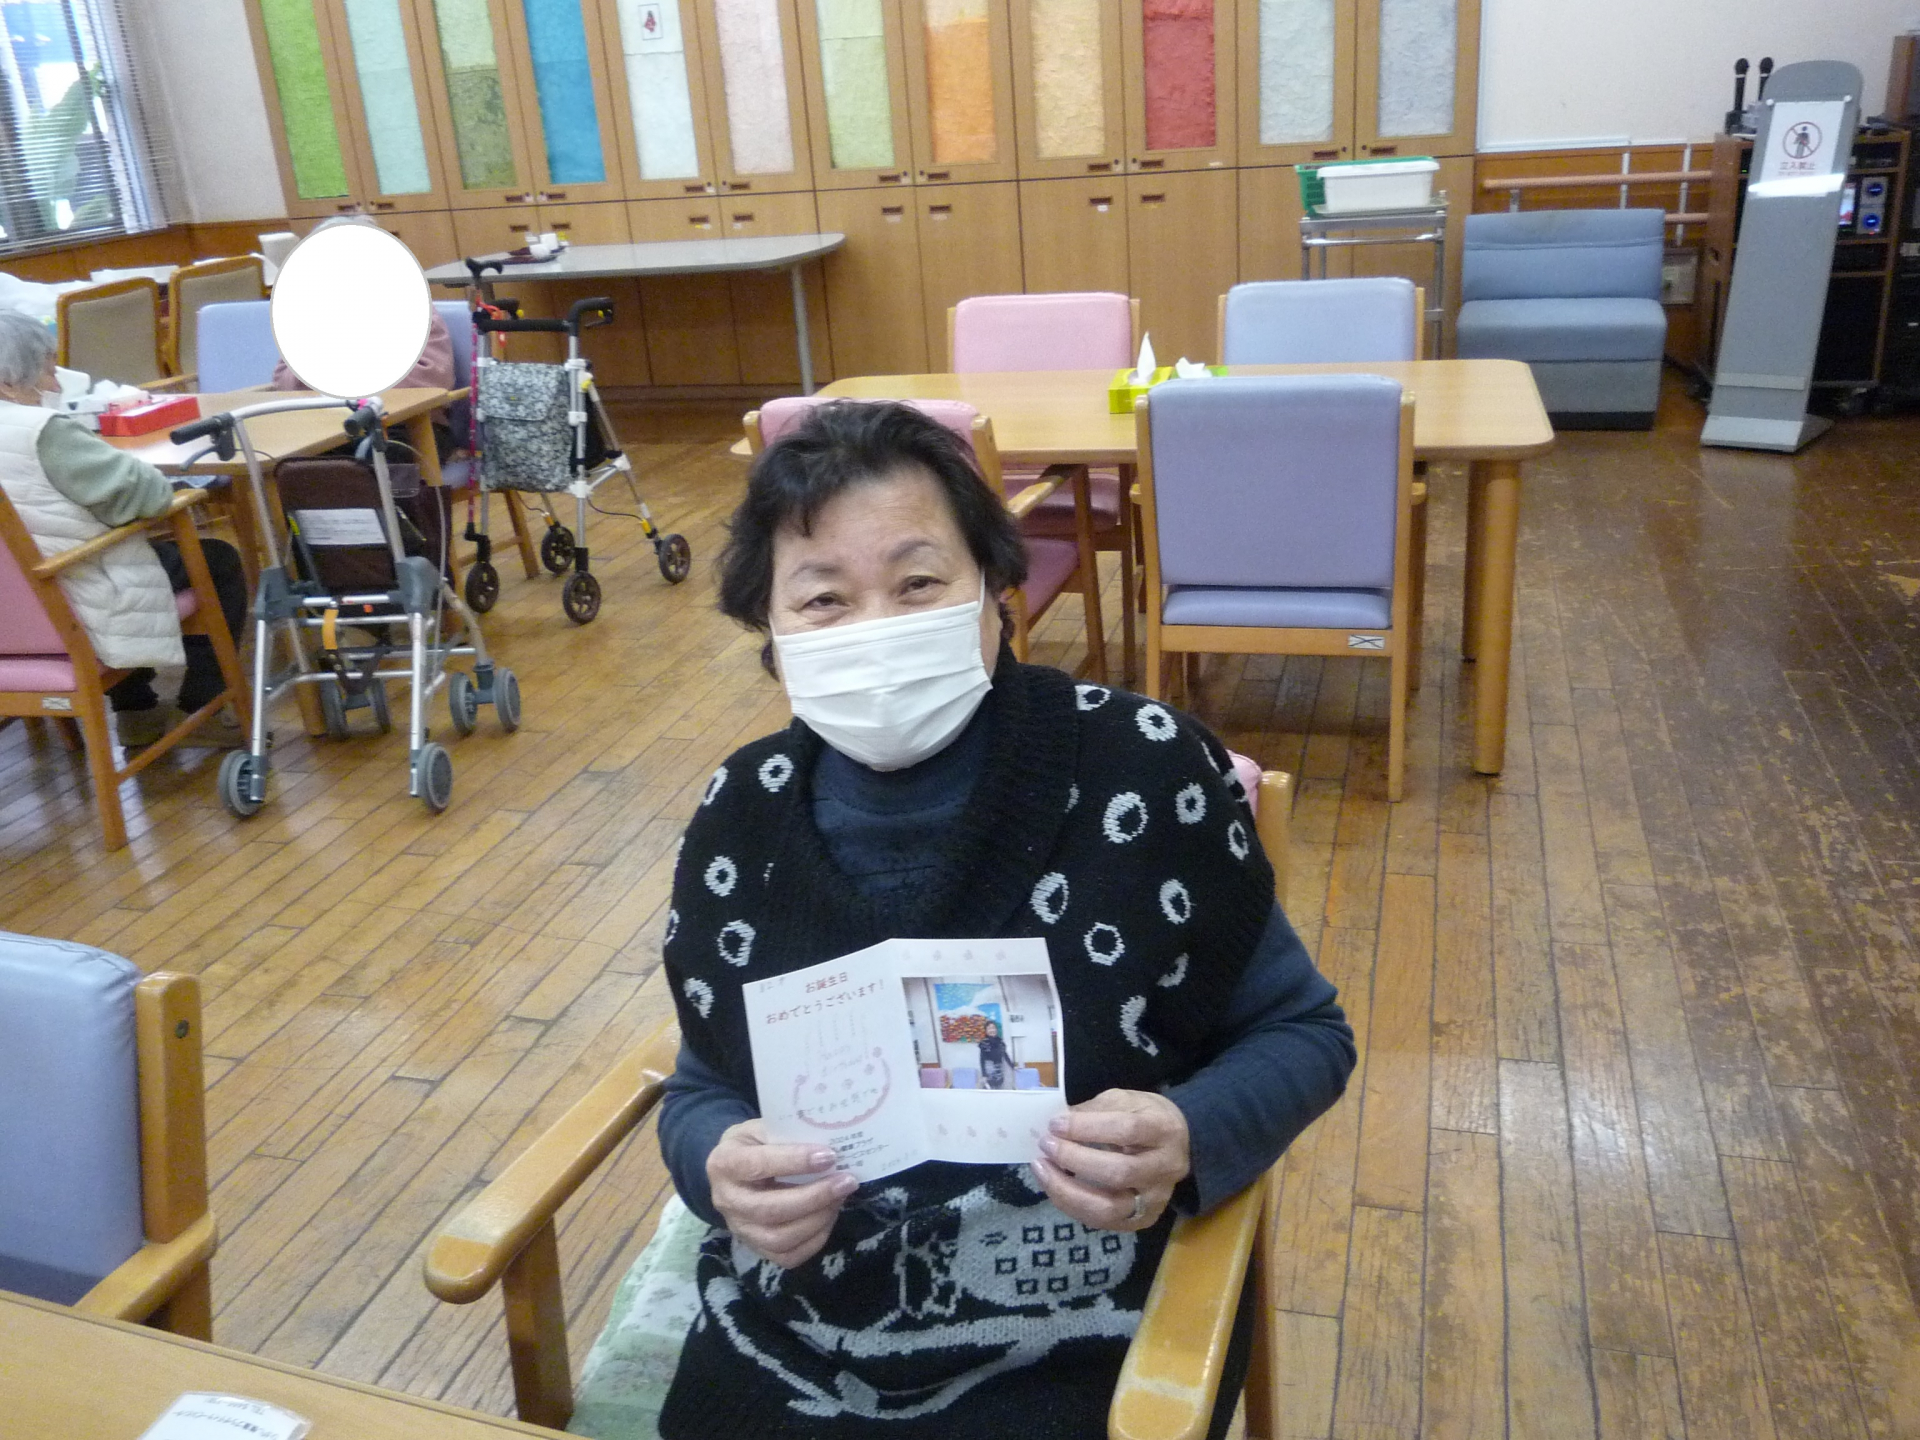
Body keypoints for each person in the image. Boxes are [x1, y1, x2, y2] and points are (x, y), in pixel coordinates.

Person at [651, 400, 1356, 1440]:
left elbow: (1304, 1032)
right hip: (795, 1331)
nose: (878, 628)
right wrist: (715, 1164)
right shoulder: (743, 813)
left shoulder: (1144, 769)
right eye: (824, 599)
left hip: (1090, 1323)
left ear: (994, 587)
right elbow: (705, 1079)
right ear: (772, 631)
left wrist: (1188, 1134)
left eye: (919, 583)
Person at [0, 310, 246, 747]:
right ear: (8, 382)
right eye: (47, 371)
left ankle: (137, 710)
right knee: (217, 560)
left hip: (11, 619)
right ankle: (202, 705)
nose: (55, 387)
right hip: (70, 599)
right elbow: (149, 497)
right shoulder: (40, 431)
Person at [977, 1018, 1014, 1090]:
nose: (992, 1030)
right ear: (986, 1031)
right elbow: (982, 1059)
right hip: (989, 1072)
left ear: (996, 1029)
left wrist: (1013, 1066)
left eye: (993, 1028)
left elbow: (1005, 1055)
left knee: (999, 1091)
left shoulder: (1000, 1042)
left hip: (999, 1071)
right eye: (989, 1028)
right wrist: (984, 1075)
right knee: (989, 1092)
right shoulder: (984, 1043)